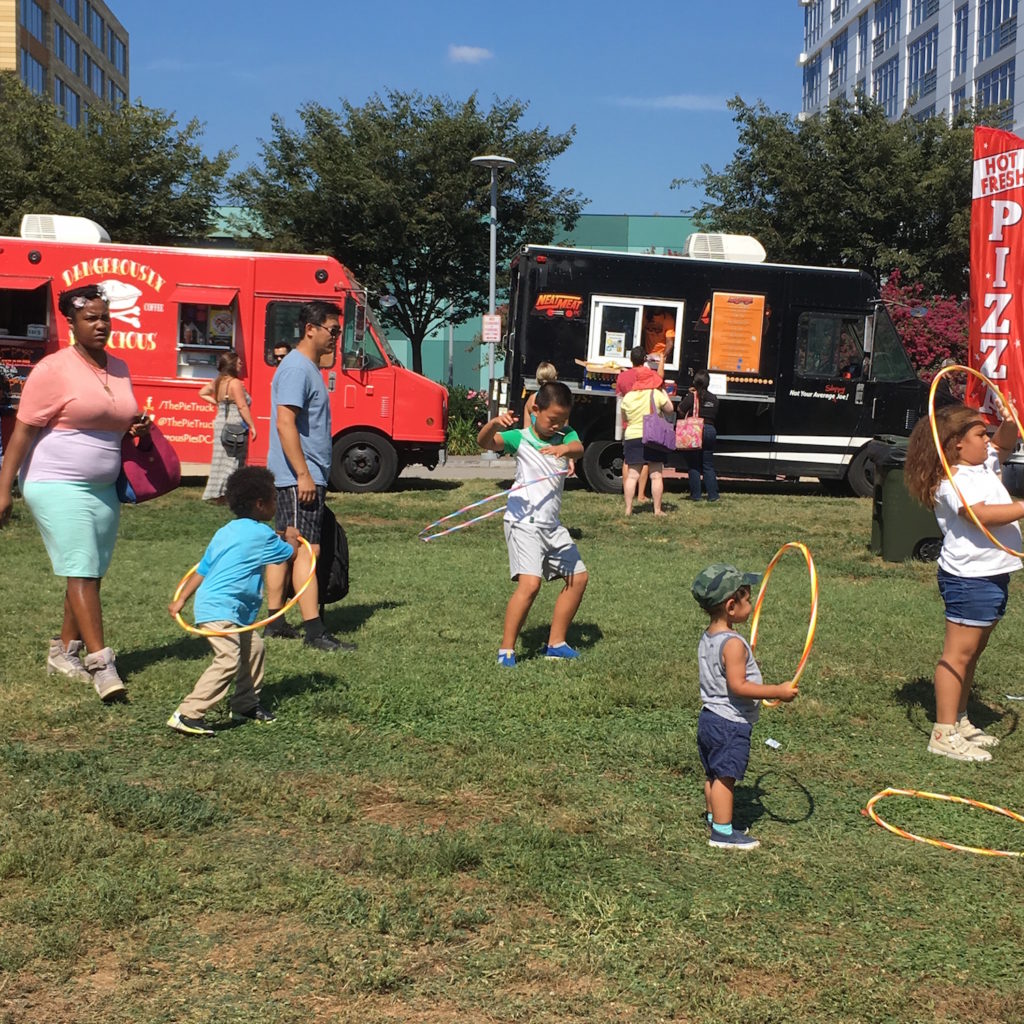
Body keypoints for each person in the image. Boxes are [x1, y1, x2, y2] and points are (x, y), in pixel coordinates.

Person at [0, 284, 147, 701]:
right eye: (91, 318)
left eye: (105, 317)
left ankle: (64, 652)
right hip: (55, 482)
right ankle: (102, 665)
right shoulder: (53, 368)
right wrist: (3, 489)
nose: (101, 325)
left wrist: (135, 427)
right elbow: (23, 432)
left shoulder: (118, 367)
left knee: (89, 570)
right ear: (71, 323)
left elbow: (115, 416)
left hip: (103, 488)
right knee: (81, 568)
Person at [903, 402, 1023, 761]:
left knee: (973, 654)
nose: (988, 441)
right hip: (970, 579)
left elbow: (1006, 441)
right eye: (980, 434)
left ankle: (958, 718)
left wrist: (1008, 419)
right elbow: (981, 515)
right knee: (958, 655)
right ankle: (942, 732)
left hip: (992, 574)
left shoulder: (982, 463)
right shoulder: (951, 481)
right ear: (956, 444)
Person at [167, 466, 298, 736]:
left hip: (217, 607)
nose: (276, 504)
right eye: (274, 499)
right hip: (221, 610)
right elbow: (287, 555)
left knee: (254, 649)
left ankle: (245, 705)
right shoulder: (261, 535)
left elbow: (202, 569)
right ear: (260, 504)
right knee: (228, 659)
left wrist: (180, 599)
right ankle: (188, 713)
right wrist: (293, 539)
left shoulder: (225, 531)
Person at [478, 381, 588, 667]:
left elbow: (579, 448)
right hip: (523, 522)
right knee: (530, 585)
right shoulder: (521, 437)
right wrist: (493, 425)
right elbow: (486, 443)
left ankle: (556, 643)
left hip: (552, 525)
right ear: (536, 410)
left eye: (562, 420)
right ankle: (506, 650)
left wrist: (564, 449)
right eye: (552, 420)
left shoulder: (565, 435)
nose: (557, 426)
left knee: (579, 578)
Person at [263, 300, 352, 652]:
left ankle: (275, 621)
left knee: (286, 546)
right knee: (306, 550)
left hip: (298, 474)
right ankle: (314, 630)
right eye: (333, 330)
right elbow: (285, 423)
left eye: (339, 332)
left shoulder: (304, 366)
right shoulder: (298, 368)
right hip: (298, 476)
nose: (336, 338)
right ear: (310, 329)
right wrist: (303, 474)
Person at [691, 564, 799, 850]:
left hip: (709, 719)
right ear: (730, 606)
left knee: (713, 774)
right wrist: (777, 690)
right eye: (748, 599)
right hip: (730, 722)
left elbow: (724, 672)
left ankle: (714, 817)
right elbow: (739, 686)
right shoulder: (734, 644)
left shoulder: (709, 636)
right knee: (726, 777)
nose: (751, 604)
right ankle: (723, 833)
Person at [200, 351, 257, 503]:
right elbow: (242, 406)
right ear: (232, 365)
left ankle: (216, 493)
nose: (241, 364)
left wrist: (217, 403)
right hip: (235, 422)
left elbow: (202, 393)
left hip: (220, 422)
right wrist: (252, 426)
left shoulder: (219, 381)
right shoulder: (235, 383)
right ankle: (229, 494)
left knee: (219, 460)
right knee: (234, 460)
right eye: (239, 362)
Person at [619, 372, 673, 516]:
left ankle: (628, 509)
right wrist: (663, 392)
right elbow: (670, 410)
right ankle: (657, 510)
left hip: (632, 436)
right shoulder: (655, 393)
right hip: (652, 437)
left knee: (632, 475)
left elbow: (624, 418)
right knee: (656, 475)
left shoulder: (628, 397)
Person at [616, 346, 664, 502]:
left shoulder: (622, 377)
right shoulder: (647, 374)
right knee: (645, 462)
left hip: (629, 423)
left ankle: (627, 493)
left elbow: (619, 395)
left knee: (628, 461)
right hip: (646, 424)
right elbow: (660, 381)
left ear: (631, 359)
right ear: (645, 360)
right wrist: (662, 362)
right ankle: (641, 494)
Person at [678, 370, 721, 502]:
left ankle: (696, 495)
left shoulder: (692, 397)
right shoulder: (714, 399)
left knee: (694, 465)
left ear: (695, 383)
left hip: (695, 431)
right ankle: (713, 495)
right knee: (708, 465)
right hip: (710, 430)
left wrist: (689, 395)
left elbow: (680, 409)